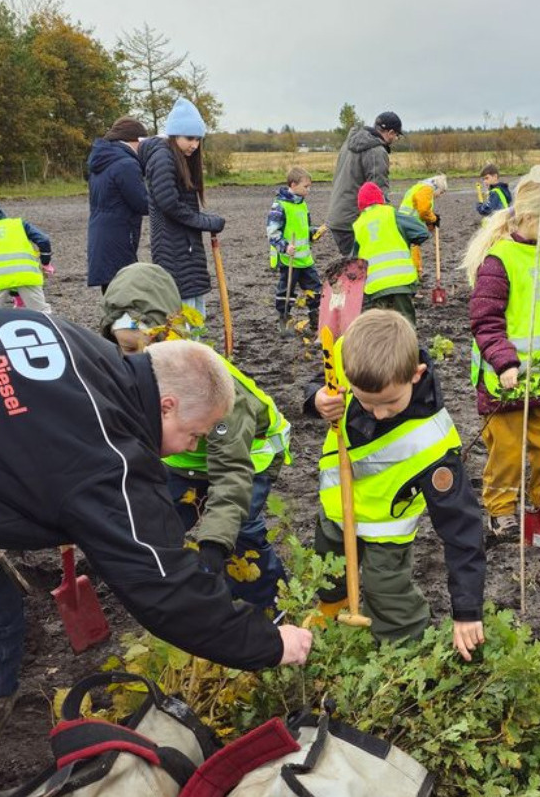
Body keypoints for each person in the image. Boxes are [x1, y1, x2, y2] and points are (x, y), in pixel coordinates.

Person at [0, 311, 312, 796]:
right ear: (169, 405)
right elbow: (166, 592)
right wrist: (269, 643)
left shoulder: (51, 331)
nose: (187, 449)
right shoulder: (109, 455)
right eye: (194, 435)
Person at [100, 262, 292, 611]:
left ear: (164, 338)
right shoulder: (127, 376)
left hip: (248, 459)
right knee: (166, 519)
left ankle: (270, 605)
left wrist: (214, 546)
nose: (129, 361)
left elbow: (231, 475)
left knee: (240, 534)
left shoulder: (213, 394)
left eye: (136, 349)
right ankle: (178, 592)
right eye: (122, 349)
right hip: (186, 462)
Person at [305, 309, 486, 659]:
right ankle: (331, 619)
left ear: (416, 376)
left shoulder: (433, 442)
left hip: (387, 531)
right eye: (364, 401)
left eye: (389, 403)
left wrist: (466, 611)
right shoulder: (346, 357)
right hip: (334, 514)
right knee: (327, 576)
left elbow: (462, 528)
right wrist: (317, 399)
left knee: (387, 593)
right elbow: (320, 381)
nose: (377, 414)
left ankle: (403, 655)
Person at [464, 169, 540, 539]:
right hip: (504, 378)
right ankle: (501, 509)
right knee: (507, 450)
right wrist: (505, 362)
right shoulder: (498, 260)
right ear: (529, 218)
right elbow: (485, 321)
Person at [144, 98, 225, 318]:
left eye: (198, 140)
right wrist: (205, 222)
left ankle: (195, 348)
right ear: (174, 135)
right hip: (173, 246)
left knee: (196, 308)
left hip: (186, 243)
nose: (195, 145)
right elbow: (169, 204)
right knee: (183, 311)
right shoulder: (163, 158)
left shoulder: (179, 158)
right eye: (190, 139)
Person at [86, 116, 149, 293]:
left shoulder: (102, 161)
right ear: (135, 140)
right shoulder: (126, 164)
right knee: (124, 290)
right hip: (120, 234)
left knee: (111, 292)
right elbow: (142, 203)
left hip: (101, 234)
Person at [352, 181, 429, 325]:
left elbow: (355, 259)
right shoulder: (392, 214)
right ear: (381, 200)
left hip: (376, 286)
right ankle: (408, 347)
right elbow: (422, 232)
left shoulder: (358, 225)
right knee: (405, 324)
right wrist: (405, 238)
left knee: (383, 326)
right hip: (401, 280)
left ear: (361, 206)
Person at [327, 111, 401, 258]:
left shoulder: (348, 143)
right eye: (396, 135)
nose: (395, 139)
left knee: (353, 265)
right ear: (390, 132)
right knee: (364, 267)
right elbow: (378, 191)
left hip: (337, 217)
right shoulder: (377, 151)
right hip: (354, 220)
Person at [266, 167, 322, 329]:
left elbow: (303, 229)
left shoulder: (303, 205)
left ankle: (315, 319)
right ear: (293, 184)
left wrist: (313, 233)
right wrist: (284, 246)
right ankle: (285, 320)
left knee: (315, 290)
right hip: (288, 259)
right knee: (287, 293)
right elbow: (272, 232)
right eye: (306, 186)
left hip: (305, 259)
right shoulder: (279, 206)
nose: (308, 190)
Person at [0, 197, 53, 312]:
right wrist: (46, 262)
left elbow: (8, 268)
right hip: (27, 274)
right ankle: (50, 328)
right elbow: (44, 240)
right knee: (42, 311)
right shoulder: (19, 224)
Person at [398, 173, 447, 278]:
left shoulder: (418, 187)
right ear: (438, 188)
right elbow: (424, 211)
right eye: (441, 192)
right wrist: (434, 219)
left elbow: (423, 211)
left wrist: (431, 222)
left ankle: (412, 273)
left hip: (404, 221)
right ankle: (415, 274)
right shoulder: (427, 189)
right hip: (409, 223)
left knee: (407, 248)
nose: (440, 195)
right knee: (414, 246)